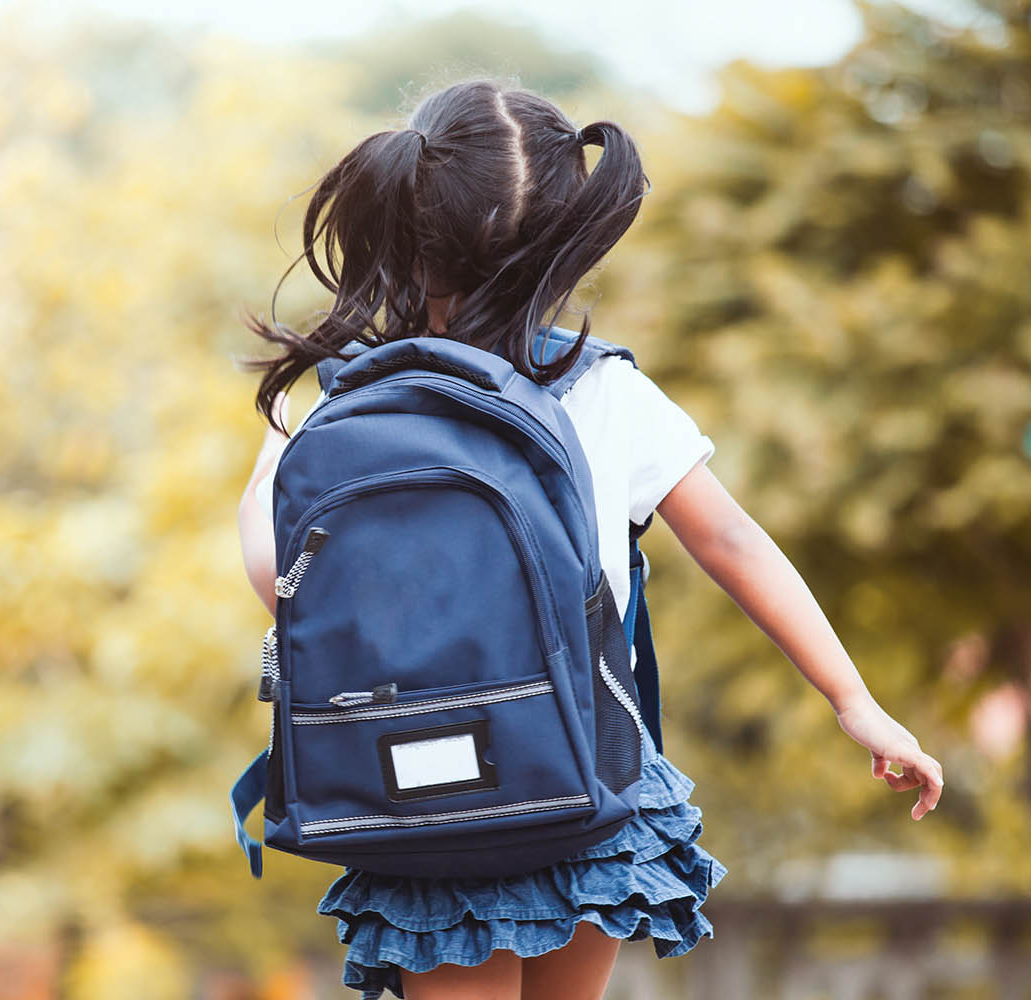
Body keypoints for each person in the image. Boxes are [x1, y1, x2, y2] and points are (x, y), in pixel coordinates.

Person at [234, 78, 944, 1000]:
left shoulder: (338, 404)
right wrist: (854, 700)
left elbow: (275, 580)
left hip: (416, 787)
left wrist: (273, 460)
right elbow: (731, 541)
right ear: (565, 247)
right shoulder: (603, 393)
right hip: (583, 769)